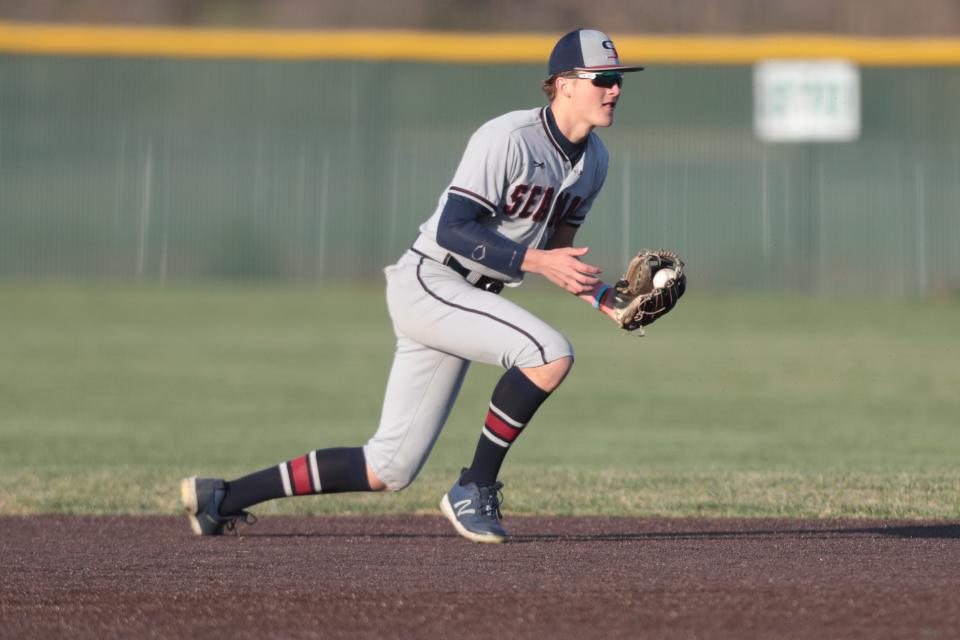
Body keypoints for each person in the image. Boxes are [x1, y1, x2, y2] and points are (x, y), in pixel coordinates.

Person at [181, 28, 644, 543]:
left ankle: (221, 497)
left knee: (389, 467)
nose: (615, 89)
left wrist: (605, 298)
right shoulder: (509, 138)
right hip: (432, 278)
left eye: (618, 79)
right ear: (563, 85)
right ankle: (474, 485)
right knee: (549, 353)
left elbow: (558, 255)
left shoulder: (594, 162)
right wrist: (535, 261)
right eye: (602, 78)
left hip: (466, 298)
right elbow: (454, 228)